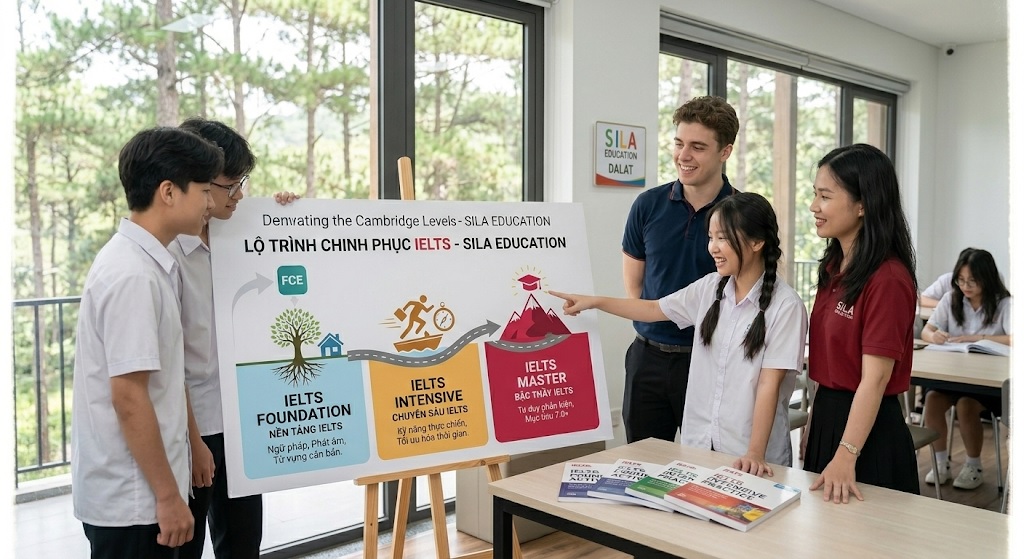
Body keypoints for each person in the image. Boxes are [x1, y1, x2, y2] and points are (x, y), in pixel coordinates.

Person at [553, 192, 807, 475]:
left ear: (757, 242)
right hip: (701, 445)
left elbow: (769, 385)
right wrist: (594, 302)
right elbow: (653, 309)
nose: (713, 248)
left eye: (723, 238)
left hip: (752, 457)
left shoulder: (786, 306)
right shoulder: (710, 287)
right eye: (710, 237)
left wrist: (755, 453)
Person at [71, 127, 221, 557]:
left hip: (144, 493)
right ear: (169, 192)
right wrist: (168, 497)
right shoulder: (133, 275)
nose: (211, 204)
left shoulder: (150, 263)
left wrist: (192, 445)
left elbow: (164, 379)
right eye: (204, 191)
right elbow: (129, 396)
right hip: (133, 501)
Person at [172, 117, 281, 559]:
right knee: (186, 544)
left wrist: (288, 215)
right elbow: (166, 365)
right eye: (229, 185)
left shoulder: (238, 233)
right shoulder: (167, 254)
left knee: (243, 541)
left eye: (242, 184)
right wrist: (193, 439)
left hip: (240, 419)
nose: (238, 195)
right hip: (190, 426)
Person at [804, 143, 921, 503]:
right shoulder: (832, 268)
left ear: (863, 205)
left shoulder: (888, 279)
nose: (814, 206)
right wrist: (813, 425)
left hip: (867, 433)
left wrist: (847, 453)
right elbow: (828, 362)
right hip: (828, 416)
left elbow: (876, 379)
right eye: (815, 194)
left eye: (825, 196)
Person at [620, 95, 738, 443]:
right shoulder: (647, 205)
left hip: (710, 363)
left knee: (706, 465)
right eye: (679, 143)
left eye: (698, 147)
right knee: (640, 462)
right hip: (647, 358)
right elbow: (634, 286)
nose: (683, 156)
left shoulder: (741, 215)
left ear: (725, 152)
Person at [920, 248, 1011, 490]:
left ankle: (973, 466)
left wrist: (977, 338)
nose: (965, 286)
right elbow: (927, 330)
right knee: (932, 400)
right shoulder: (951, 298)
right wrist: (934, 336)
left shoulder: (1004, 303)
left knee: (966, 405)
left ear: (987, 278)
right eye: (961, 280)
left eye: (972, 281)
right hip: (954, 373)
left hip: (987, 381)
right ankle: (941, 463)